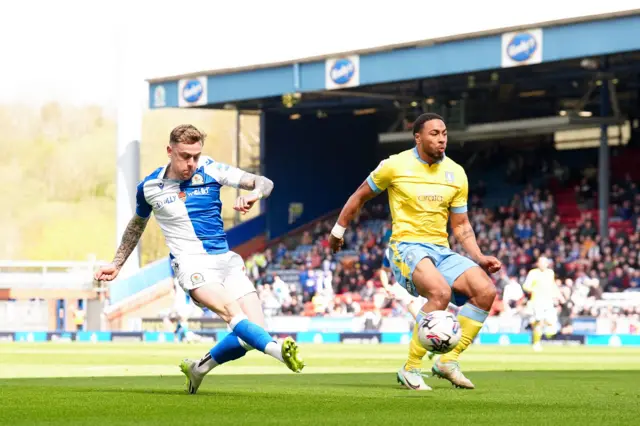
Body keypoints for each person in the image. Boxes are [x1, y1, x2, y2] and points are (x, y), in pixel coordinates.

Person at [94, 124, 304, 394]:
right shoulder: (149, 187)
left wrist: (254, 195)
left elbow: (265, 182)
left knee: (254, 333)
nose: (191, 163)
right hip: (191, 265)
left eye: (195, 156)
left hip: (225, 261)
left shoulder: (211, 169)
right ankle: (279, 352)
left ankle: (199, 368)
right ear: (170, 151)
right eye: (184, 156)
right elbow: (137, 225)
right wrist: (117, 263)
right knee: (232, 312)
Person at [329, 113, 501, 390]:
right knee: (440, 293)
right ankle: (410, 368)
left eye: (444, 133)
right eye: (434, 133)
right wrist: (338, 231)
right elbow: (360, 195)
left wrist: (479, 257)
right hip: (405, 246)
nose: (442, 138)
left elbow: (461, 224)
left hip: (440, 250)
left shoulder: (456, 173)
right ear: (418, 137)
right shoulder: (395, 165)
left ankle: (448, 361)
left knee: (485, 291)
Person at [522, 256, 564, 351]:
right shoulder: (533, 273)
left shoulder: (550, 273)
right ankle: (536, 343)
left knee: (551, 321)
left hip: (548, 301)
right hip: (537, 301)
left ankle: (533, 324)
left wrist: (559, 296)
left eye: (544, 262)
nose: (542, 264)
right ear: (538, 263)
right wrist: (534, 290)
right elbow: (526, 285)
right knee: (540, 322)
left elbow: (552, 285)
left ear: (547, 264)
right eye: (541, 262)